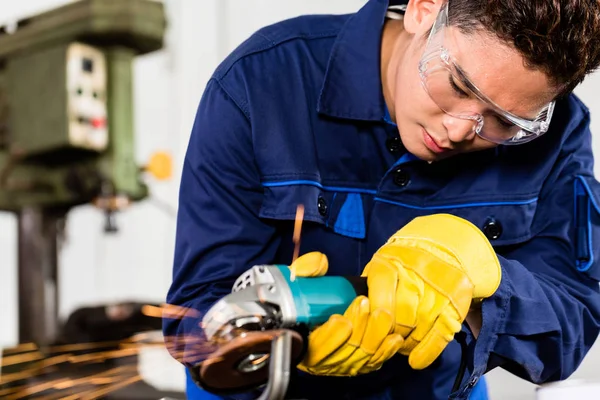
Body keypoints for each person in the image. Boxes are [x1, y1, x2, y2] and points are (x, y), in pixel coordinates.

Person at [163, 0, 600, 399]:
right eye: (459, 86)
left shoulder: (560, 134)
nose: (461, 130)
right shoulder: (261, 84)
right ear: (424, 10)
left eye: (503, 121)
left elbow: (572, 324)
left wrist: (483, 287)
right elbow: (195, 314)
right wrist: (290, 343)